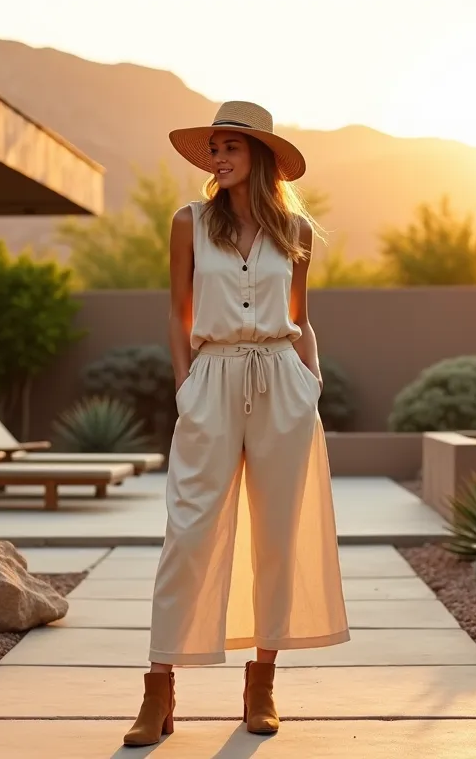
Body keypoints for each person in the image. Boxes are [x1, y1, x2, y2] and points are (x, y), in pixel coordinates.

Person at [123, 100, 350, 747]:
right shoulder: (188, 222)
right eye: (213, 148)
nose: (217, 158)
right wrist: (185, 386)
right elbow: (177, 312)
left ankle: (261, 682)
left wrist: (311, 382)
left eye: (231, 148)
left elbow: (301, 317)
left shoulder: (295, 233)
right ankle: (159, 689)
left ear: (262, 159)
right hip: (213, 378)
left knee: (277, 536)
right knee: (189, 531)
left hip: (283, 382)